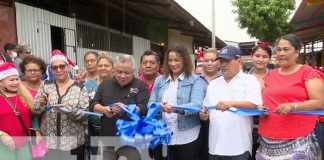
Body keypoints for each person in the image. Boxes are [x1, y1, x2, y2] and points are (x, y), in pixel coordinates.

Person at [257, 34, 324, 160]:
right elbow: (267, 100)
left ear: (297, 52)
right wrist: (261, 109)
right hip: (268, 140)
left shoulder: (307, 72)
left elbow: (320, 102)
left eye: (286, 49)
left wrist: (293, 106)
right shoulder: (271, 74)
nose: (281, 53)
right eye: (279, 49)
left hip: (298, 139)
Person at [200, 45, 262, 160]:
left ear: (238, 61)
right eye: (221, 61)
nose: (223, 64)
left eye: (227, 61)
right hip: (215, 146)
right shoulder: (213, 84)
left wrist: (230, 104)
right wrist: (203, 115)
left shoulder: (250, 81)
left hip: (238, 147)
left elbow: (254, 105)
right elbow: (206, 109)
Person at [149, 44, 207, 160]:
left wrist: (176, 109)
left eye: (177, 60)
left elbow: (196, 105)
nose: (173, 63)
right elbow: (150, 104)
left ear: (184, 60)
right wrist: (160, 107)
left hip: (188, 134)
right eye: (170, 60)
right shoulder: (160, 80)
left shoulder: (195, 80)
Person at [32, 50, 89, 160]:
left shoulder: (80, 88)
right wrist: (41, 103)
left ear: (68, 67)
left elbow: (85, 114)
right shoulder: (46, 85)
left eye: (62, 66)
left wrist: (68, 111)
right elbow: (35, 110)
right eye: (55, 67)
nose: (59, 70)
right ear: (52, 70)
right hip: (50, 142)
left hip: (73, 143)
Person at [90, 54, 149, 160]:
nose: (122, 75)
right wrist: (104, 109)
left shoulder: (140, 85)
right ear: (114, 70)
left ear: (133, 70)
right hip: (106, 139)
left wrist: (127, 109)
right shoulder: (105, 84)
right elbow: (94, 104)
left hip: (131, 142)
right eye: (119, 72)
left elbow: (144, 108)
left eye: (127, 73)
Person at [0, 63, 39, 160]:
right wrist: (1, 134)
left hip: (24, 144)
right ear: (1, 83)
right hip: (3, 145)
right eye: (11, 80)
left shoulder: (25, 96)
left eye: (17, 79)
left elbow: (33, 118)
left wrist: (36, 132)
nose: (15, 82)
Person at [84, 52, 114, 157]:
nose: (103, 68)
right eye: (100, 65)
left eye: (106, 65)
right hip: (92, 130)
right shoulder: (87, 85)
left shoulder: (117, 85)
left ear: (113, 68)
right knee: (94, 155)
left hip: (111, 130)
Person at [246, 41, 272, 159]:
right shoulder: (242, 78)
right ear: (252, 57)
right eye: (257, 56)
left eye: (264, 56)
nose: (260, 60)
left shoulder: (275, 77)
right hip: (247, 125)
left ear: (270, 59)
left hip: (269, 125)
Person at [198, 47, 221, 160]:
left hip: (220, 122)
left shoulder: (225, 79)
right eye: (206, 60)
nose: (209, 63)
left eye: (213, 60)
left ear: (219, 61)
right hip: (200, 122)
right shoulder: (196, 80)